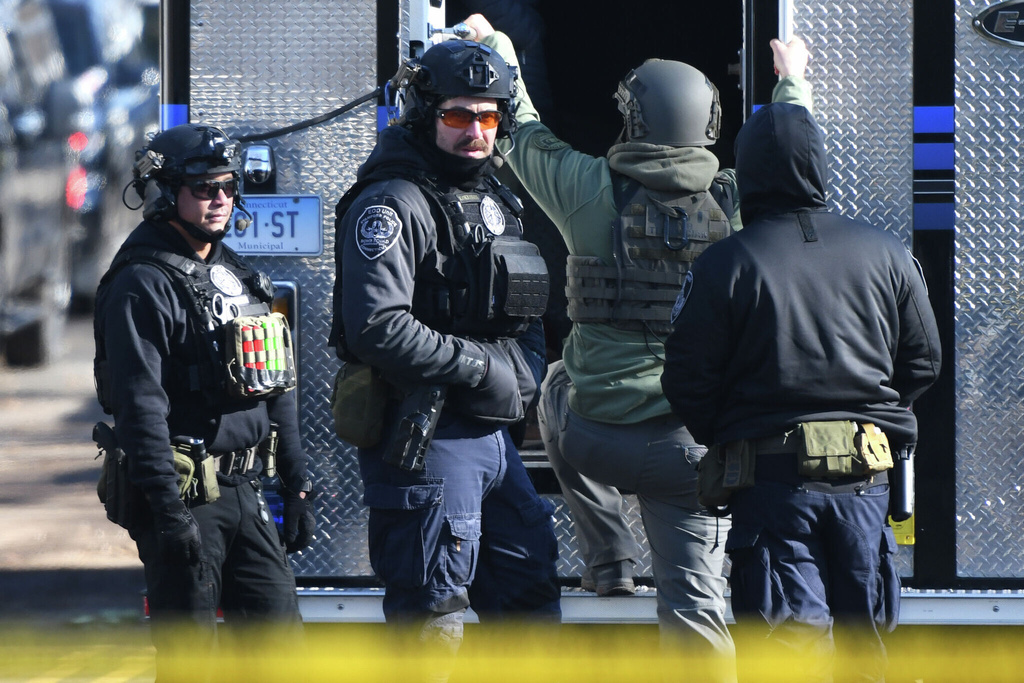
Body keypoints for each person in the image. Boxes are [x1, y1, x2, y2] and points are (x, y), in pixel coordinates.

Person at [469, 13, 810, 670]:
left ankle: (611, 559)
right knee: (696, 607)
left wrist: (496, 45)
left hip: (596, 438)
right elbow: (792, 159)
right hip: (691, 456)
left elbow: (520, 127)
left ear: (633, 123)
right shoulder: (740, 200)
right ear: (709, 126)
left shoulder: (586, 189)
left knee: (556, 382)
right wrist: (791, 85)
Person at [660, 99, 942, 681]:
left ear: (746, 172)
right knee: (867, 654)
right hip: (866, 486)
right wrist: (878, 412)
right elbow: (924, 362)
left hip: (771, 485)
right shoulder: (888, 254)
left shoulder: (724, 264)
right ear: (819, 165)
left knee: (788, 656)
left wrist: (733, 433)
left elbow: (687, 379)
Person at [328, 37, 560, 673]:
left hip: (489, 440)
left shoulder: (494, 202)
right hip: (425, 433)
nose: (476, 132)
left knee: (530, 591)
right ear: (425, 115)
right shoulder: (391, 203)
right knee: (434, 618)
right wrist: (486, 368)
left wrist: (528, 376)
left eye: (489, 117)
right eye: (459, 116)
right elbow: (378, 326)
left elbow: (526, 312)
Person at [93, 123, 315, 681]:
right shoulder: (142, 282)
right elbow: (139, 406)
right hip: (187, 498)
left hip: (247, 493)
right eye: (203, 187)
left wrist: (296, 480)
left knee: (282, 653)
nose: (220, 199)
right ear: (166, 193)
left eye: (228, 186)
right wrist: (167, 513)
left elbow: (274, 381)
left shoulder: (235, 273)